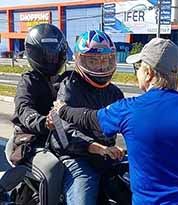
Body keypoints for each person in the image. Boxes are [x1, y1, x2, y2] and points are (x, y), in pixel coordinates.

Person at [53, 38, 178, 205]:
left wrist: (62, 110)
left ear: (148, 73)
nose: (137, 72)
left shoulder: (129, 109)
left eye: (138, 67)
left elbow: (89, 118)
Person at [48, 30, 125, 205]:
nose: (101, 66)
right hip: (77, 158)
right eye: (93, 60)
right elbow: (64, 132)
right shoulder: (69, 88)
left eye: (106, 60)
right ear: (79, 60)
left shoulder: (114, 92)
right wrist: (96, 147)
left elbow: (129, 122)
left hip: (107, 155)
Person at [8, 23, 68, 205]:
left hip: (65, 139)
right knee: (52, 168)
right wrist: (42, 122)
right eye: (47, 54)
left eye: (55, 53)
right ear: (35, 55)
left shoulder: (69, 79)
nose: (52, 59)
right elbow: (23, 109)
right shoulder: (28, 81)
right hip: (33, 141)